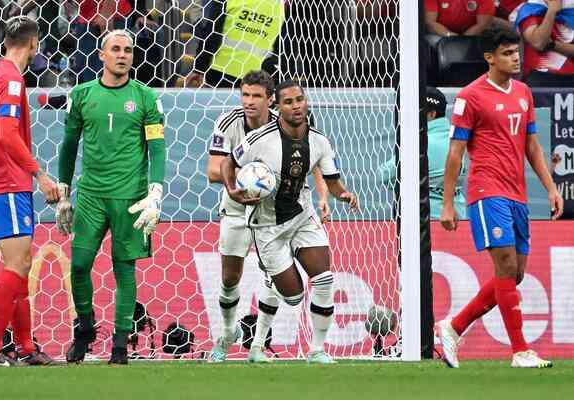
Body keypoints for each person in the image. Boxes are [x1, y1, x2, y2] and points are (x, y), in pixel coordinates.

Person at [438, 26, 563, 368]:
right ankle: (521, 351)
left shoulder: (523, 92)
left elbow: (532, 146)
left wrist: (551, 187)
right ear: (489, 58)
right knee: (506, 265)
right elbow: (455, 152)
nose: (515, 58)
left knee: (515, 274)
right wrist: (449, 203)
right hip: (486, 190)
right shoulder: (470, 96)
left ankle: (454, 326)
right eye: (507, 53)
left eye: (516, 52)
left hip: (517, 193)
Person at [220, 80, 358, 364]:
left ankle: (317, 350)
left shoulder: (319, 141)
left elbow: (332, 182)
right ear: (277, 106)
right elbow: (228, 163)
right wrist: (233, 188)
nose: (296, 106)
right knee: (293, 296)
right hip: (267, 225)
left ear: (306, 102)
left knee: (324, 279)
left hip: (301, 215)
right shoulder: (260, 138)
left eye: (300, 100)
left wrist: (344, 195)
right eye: (289, 102)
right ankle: (273, 285)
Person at [56, 29, 166, 365]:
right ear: (101, 55)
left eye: (128, 50)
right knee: (78, 266)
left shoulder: (146, 97)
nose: (122, 55)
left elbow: (157, 148)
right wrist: (63, 191)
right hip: (91, 196)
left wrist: (156, 192)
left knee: (125, 270)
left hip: (130, 197)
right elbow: (69, 146)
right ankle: (86, 328)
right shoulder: (82, 95)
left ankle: (119, 345)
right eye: (115, 49)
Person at [0, 16, 59, 367]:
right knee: (16, 262)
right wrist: (39, 174)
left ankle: (25, 346)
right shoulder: (10, 80)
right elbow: (8, 133)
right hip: (6, 182)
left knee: (21, 263)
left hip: (1, 181)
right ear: (34, 44)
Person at [378, 87, 467, 219]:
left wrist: (407, 185)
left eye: (418, 111)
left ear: (432, 114)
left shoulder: (420, 143)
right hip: (458, 216)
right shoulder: (458, 139)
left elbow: (385, 175)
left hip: (423, 221)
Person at [186, 0, 285, 88]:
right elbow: (281, 47)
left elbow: (212, 35)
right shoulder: (279, 5)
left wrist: (199, 68)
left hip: (222, 70)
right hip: (259, 76)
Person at [516, 0, 574, 86]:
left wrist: (552, 45)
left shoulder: (570, 11)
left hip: (571, 76)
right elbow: (539, 43)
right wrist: (552, 11)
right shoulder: (530, 9)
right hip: (539, 77)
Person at [425, 0, 495, 37]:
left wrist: (463, 40)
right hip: (441, 35)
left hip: (472, 36)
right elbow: (430, 22)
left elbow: (482, 24)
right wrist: (449, 35)